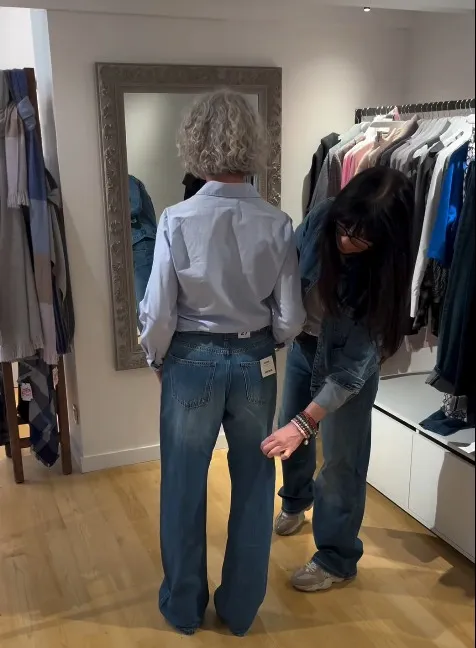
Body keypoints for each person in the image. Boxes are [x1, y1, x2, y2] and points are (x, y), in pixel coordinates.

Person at [139, 89, 305, 636]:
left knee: (183, 487)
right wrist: (263, 340)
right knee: (255, 485)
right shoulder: (277, 222)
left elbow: (158, 312)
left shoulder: (177, 219)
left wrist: (157, 358)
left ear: (195, 143)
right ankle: (239, 610)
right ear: (252, 144)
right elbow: (290, 318)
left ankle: (184, 608)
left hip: (191, 359)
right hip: (256, 359)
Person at [261, 167, 414, 592]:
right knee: (288, 429)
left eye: (361, 239)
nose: (346, 241)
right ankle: (296, 501)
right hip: (305, 344)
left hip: (349, 368)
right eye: (344, 229)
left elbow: (350, 372)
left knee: (342, 462)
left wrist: (306, 423)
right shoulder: (325, 215)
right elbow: (286, 271)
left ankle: (337, 559)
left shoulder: (384, 279)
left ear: (385, 241)